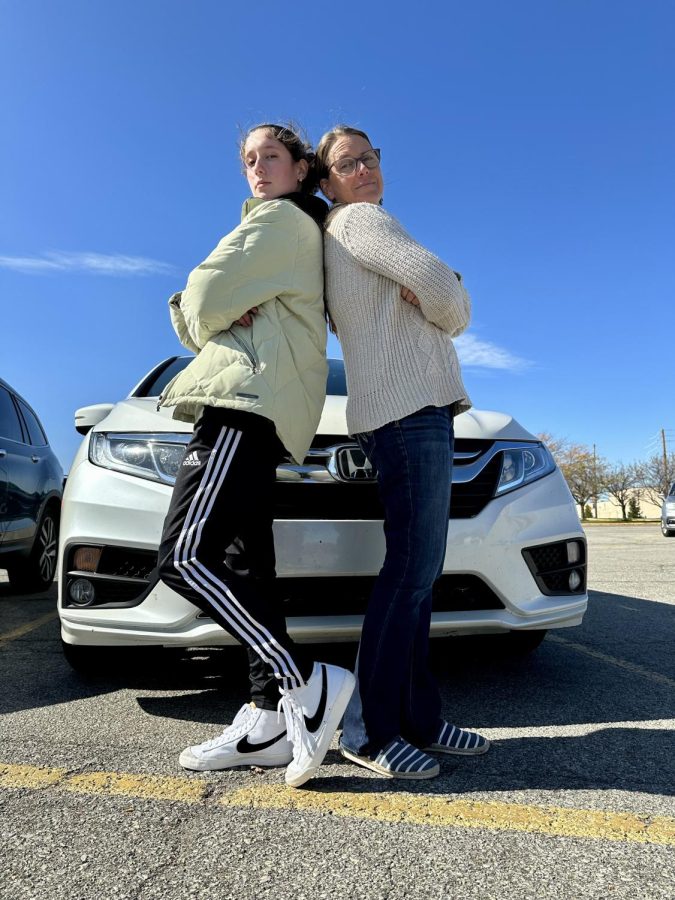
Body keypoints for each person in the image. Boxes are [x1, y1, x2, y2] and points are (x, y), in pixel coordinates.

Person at [157, 123, 354, 789]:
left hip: (242, 402)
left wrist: (198, 309)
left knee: (184, 555)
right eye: (247, 159)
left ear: (301, 167)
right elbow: (207, 313)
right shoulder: (298, 228)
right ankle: (267, 717)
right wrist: (207, 311)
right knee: (246, 563)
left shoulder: (277, 221)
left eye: (270, 155)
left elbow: (203, 301)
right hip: (266, 406)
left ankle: (303, 680)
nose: (257, 168)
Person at [315, 125, 489, 779]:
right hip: (406, 413)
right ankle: (367, 733)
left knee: (418, 580)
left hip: (410, 412)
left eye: (369, 158)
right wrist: (446, 294)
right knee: (408, 576)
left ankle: (418, 719)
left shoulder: (349, 231)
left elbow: (437, 293)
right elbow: (448, 297)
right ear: (327, 181)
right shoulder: (360, 220)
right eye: (346, 164)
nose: (363, 170)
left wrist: (439, 292)